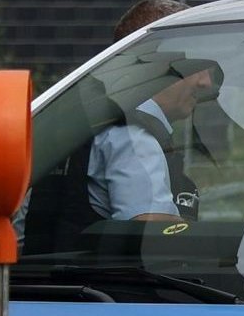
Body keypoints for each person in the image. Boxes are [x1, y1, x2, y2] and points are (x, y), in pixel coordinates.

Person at [85, 56, 222, 230]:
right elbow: (151, 229)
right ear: (155, 71)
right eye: (194, 69)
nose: (206, 83)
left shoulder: (136, 128)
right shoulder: (136, 136)